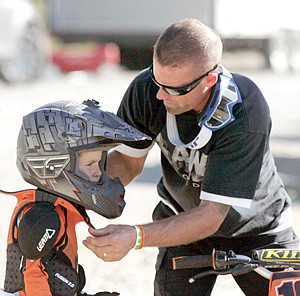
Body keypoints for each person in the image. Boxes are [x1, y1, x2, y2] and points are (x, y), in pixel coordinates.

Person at [82, 18, 299, 295]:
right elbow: (126, 161)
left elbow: (211, 215)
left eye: (174, 89)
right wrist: (83, 195)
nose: (161, 95)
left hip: (258, 229)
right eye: (157, 80)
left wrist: (136, 236)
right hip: (181, 221)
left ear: (210, 79)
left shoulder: (245, 111)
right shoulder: (148, 89)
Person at [0, 99, 150, 296]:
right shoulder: (43, 218)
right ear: (51, 165)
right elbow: (34, 280)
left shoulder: (54, 207)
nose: (98, 172)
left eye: (99, 162)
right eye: (90, 165)